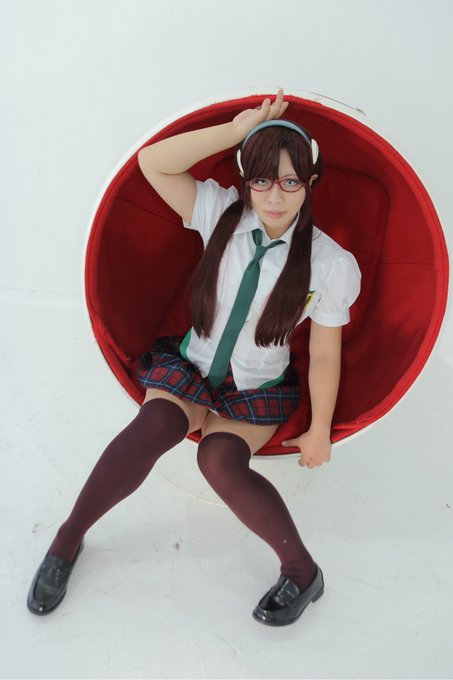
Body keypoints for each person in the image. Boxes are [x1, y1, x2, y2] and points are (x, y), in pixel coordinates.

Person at [27, 88, 361, 626]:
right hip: (194, 365)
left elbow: (324, 354)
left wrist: (320, 427)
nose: (274, 196)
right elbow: (152, 163)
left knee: (218, 460)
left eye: (290, 181)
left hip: (255, 387)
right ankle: (67, 539)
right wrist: (235, 131)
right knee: (153, 425)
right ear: (245, 180)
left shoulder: (331, 264)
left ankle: (303, 572)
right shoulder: (221, 212)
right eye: (261, 180)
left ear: (310, 182)